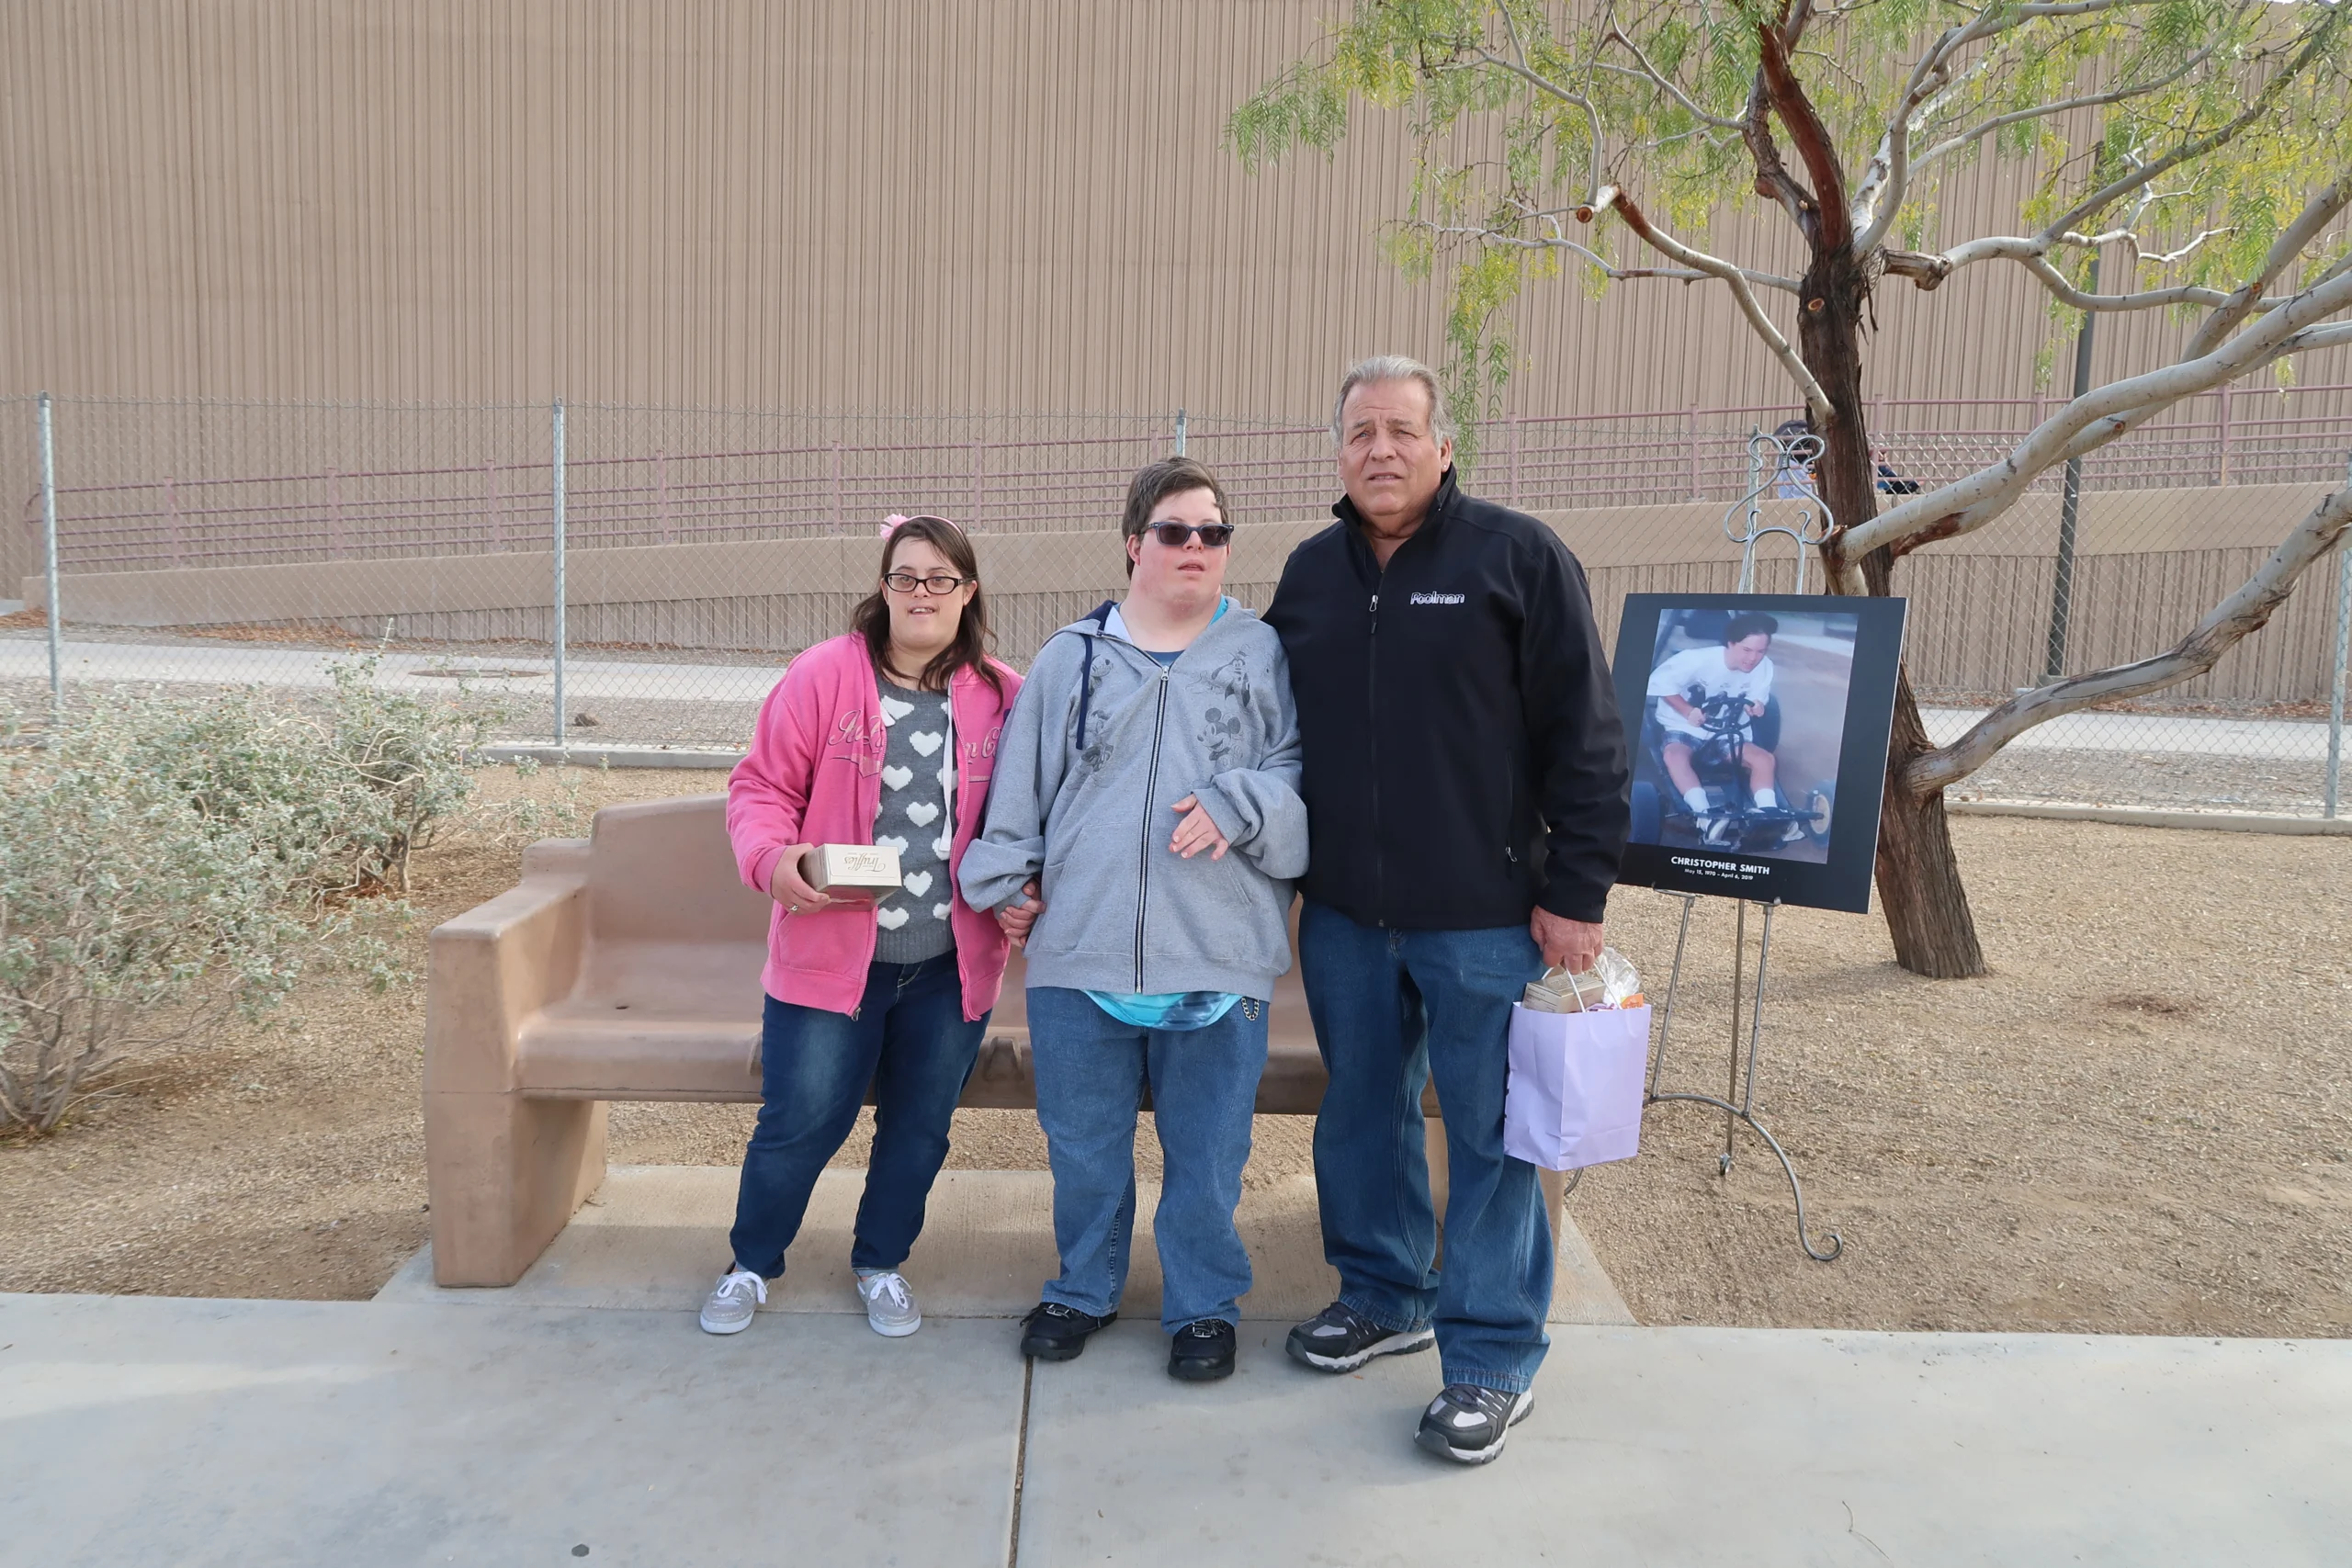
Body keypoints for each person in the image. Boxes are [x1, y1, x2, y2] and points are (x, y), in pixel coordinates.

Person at [1262, 356, 1628, 1465]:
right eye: (1360, 431)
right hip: (1344, 919)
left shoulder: (1515, 558)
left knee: (1488, 1138)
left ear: (1443, 445)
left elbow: (1589, 738)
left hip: (1483, 919)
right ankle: (1385, 1293)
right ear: (1338, 451)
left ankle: (1491, 1356)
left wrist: (1574, 894)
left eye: (1401, 430)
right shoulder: (1310, 575)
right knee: (1362, 1114)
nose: (1380, 449)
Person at [960, 457, 1307, 1383]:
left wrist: (1239, 805)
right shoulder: (1068, 660)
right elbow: (1017, 794)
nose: (1195, 547)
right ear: (1133, 544)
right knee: (1082, 1148)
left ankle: (1201, 1306)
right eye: (1174, 530)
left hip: (1217, 955)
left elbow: (1299, 784)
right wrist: (1009, 883)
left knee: (1207, 1155)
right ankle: (1083, 1288)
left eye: (1213, 533)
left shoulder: (1260, 655)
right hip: (1083, 953)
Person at [706, 513, 1020, 1339]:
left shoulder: (1000, 693)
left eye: (941, 579)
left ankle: (881, 1261)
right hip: (832, 958)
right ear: (883, 588)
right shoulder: (823, 677)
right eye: (906, 577)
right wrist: (782, 861)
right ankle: (751, 1262)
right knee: (801, 1118)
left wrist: (1027, 886)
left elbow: (1032, 814)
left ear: (968, 592)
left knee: (919, 1126)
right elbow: (761, 788)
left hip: (950, 964)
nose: (923, 592)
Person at [1648, 611, 1780, 848]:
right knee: (1674, 756)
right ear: (1730, 644)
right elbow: (1658, 683)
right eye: (1746, 650)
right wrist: (1687, 710)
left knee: (1765, 759)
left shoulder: (1764, 667)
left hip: (1726, 733)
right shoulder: (1694, 660)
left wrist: (1757, 707)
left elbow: (1758, 699)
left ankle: (1767, 814)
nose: (1753, 659)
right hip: (1685, 728)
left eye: (1761, 651)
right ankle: (1705, 817)